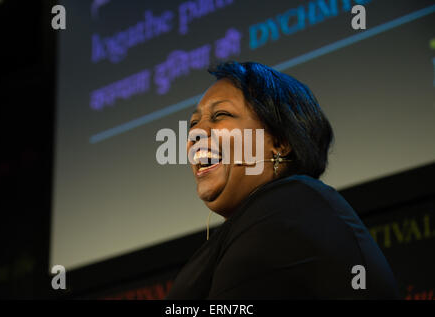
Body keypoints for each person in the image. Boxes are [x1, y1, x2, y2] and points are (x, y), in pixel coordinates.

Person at [165, 61, 400, 299]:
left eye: (220, 115)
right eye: (194, 123)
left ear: (280, 142)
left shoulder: (289, 207)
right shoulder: (272, 213)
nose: (196, 133)